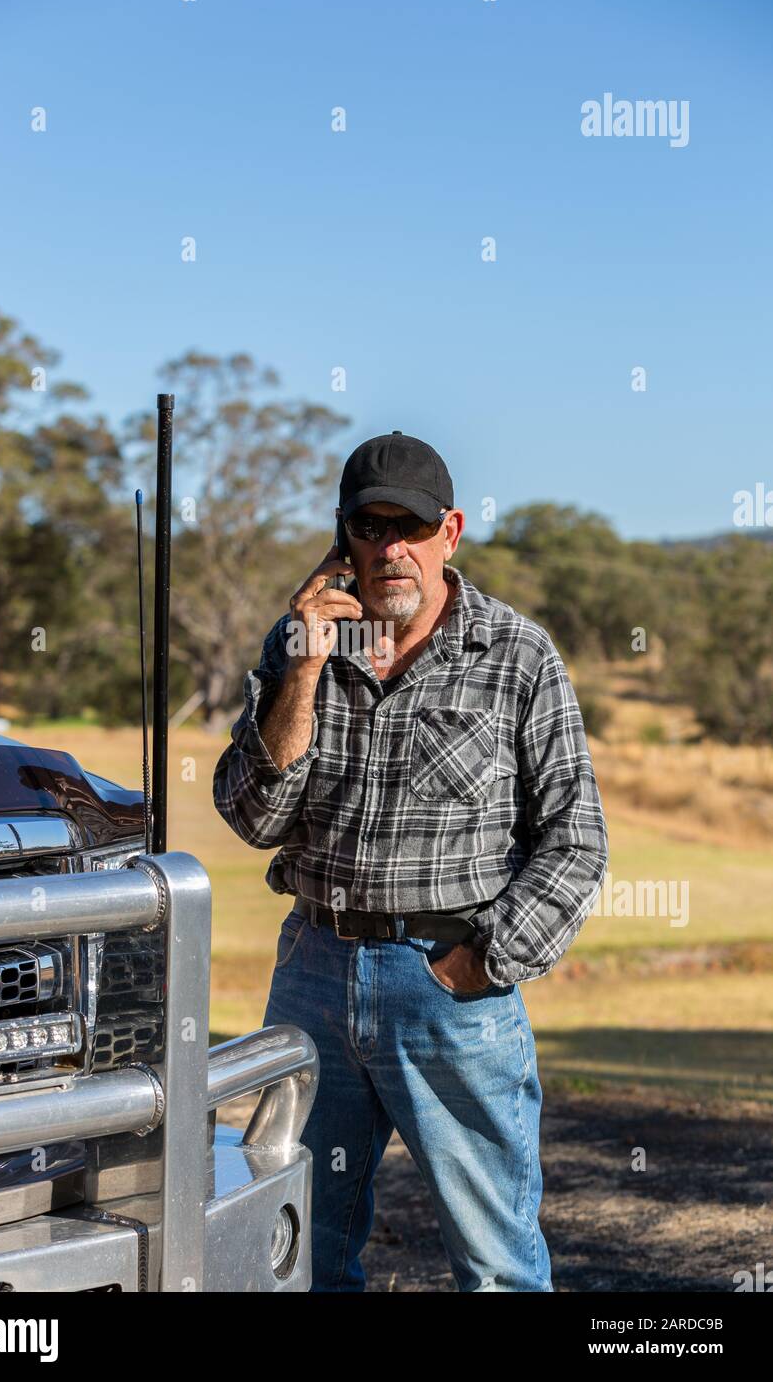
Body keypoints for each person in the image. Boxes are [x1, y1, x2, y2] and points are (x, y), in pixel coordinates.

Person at [213, 430, 608, 1292]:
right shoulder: (298, 651)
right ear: (342, 534)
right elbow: (251, 814)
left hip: (448, 990)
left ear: (451, 532)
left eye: (411, 526)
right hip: (311, 974)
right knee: (297, 1254)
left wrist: (480, 964)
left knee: (496, 1265)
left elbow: (576, 840)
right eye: (370, 524)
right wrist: (305, 670)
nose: (390, 547)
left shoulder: (517, 656)